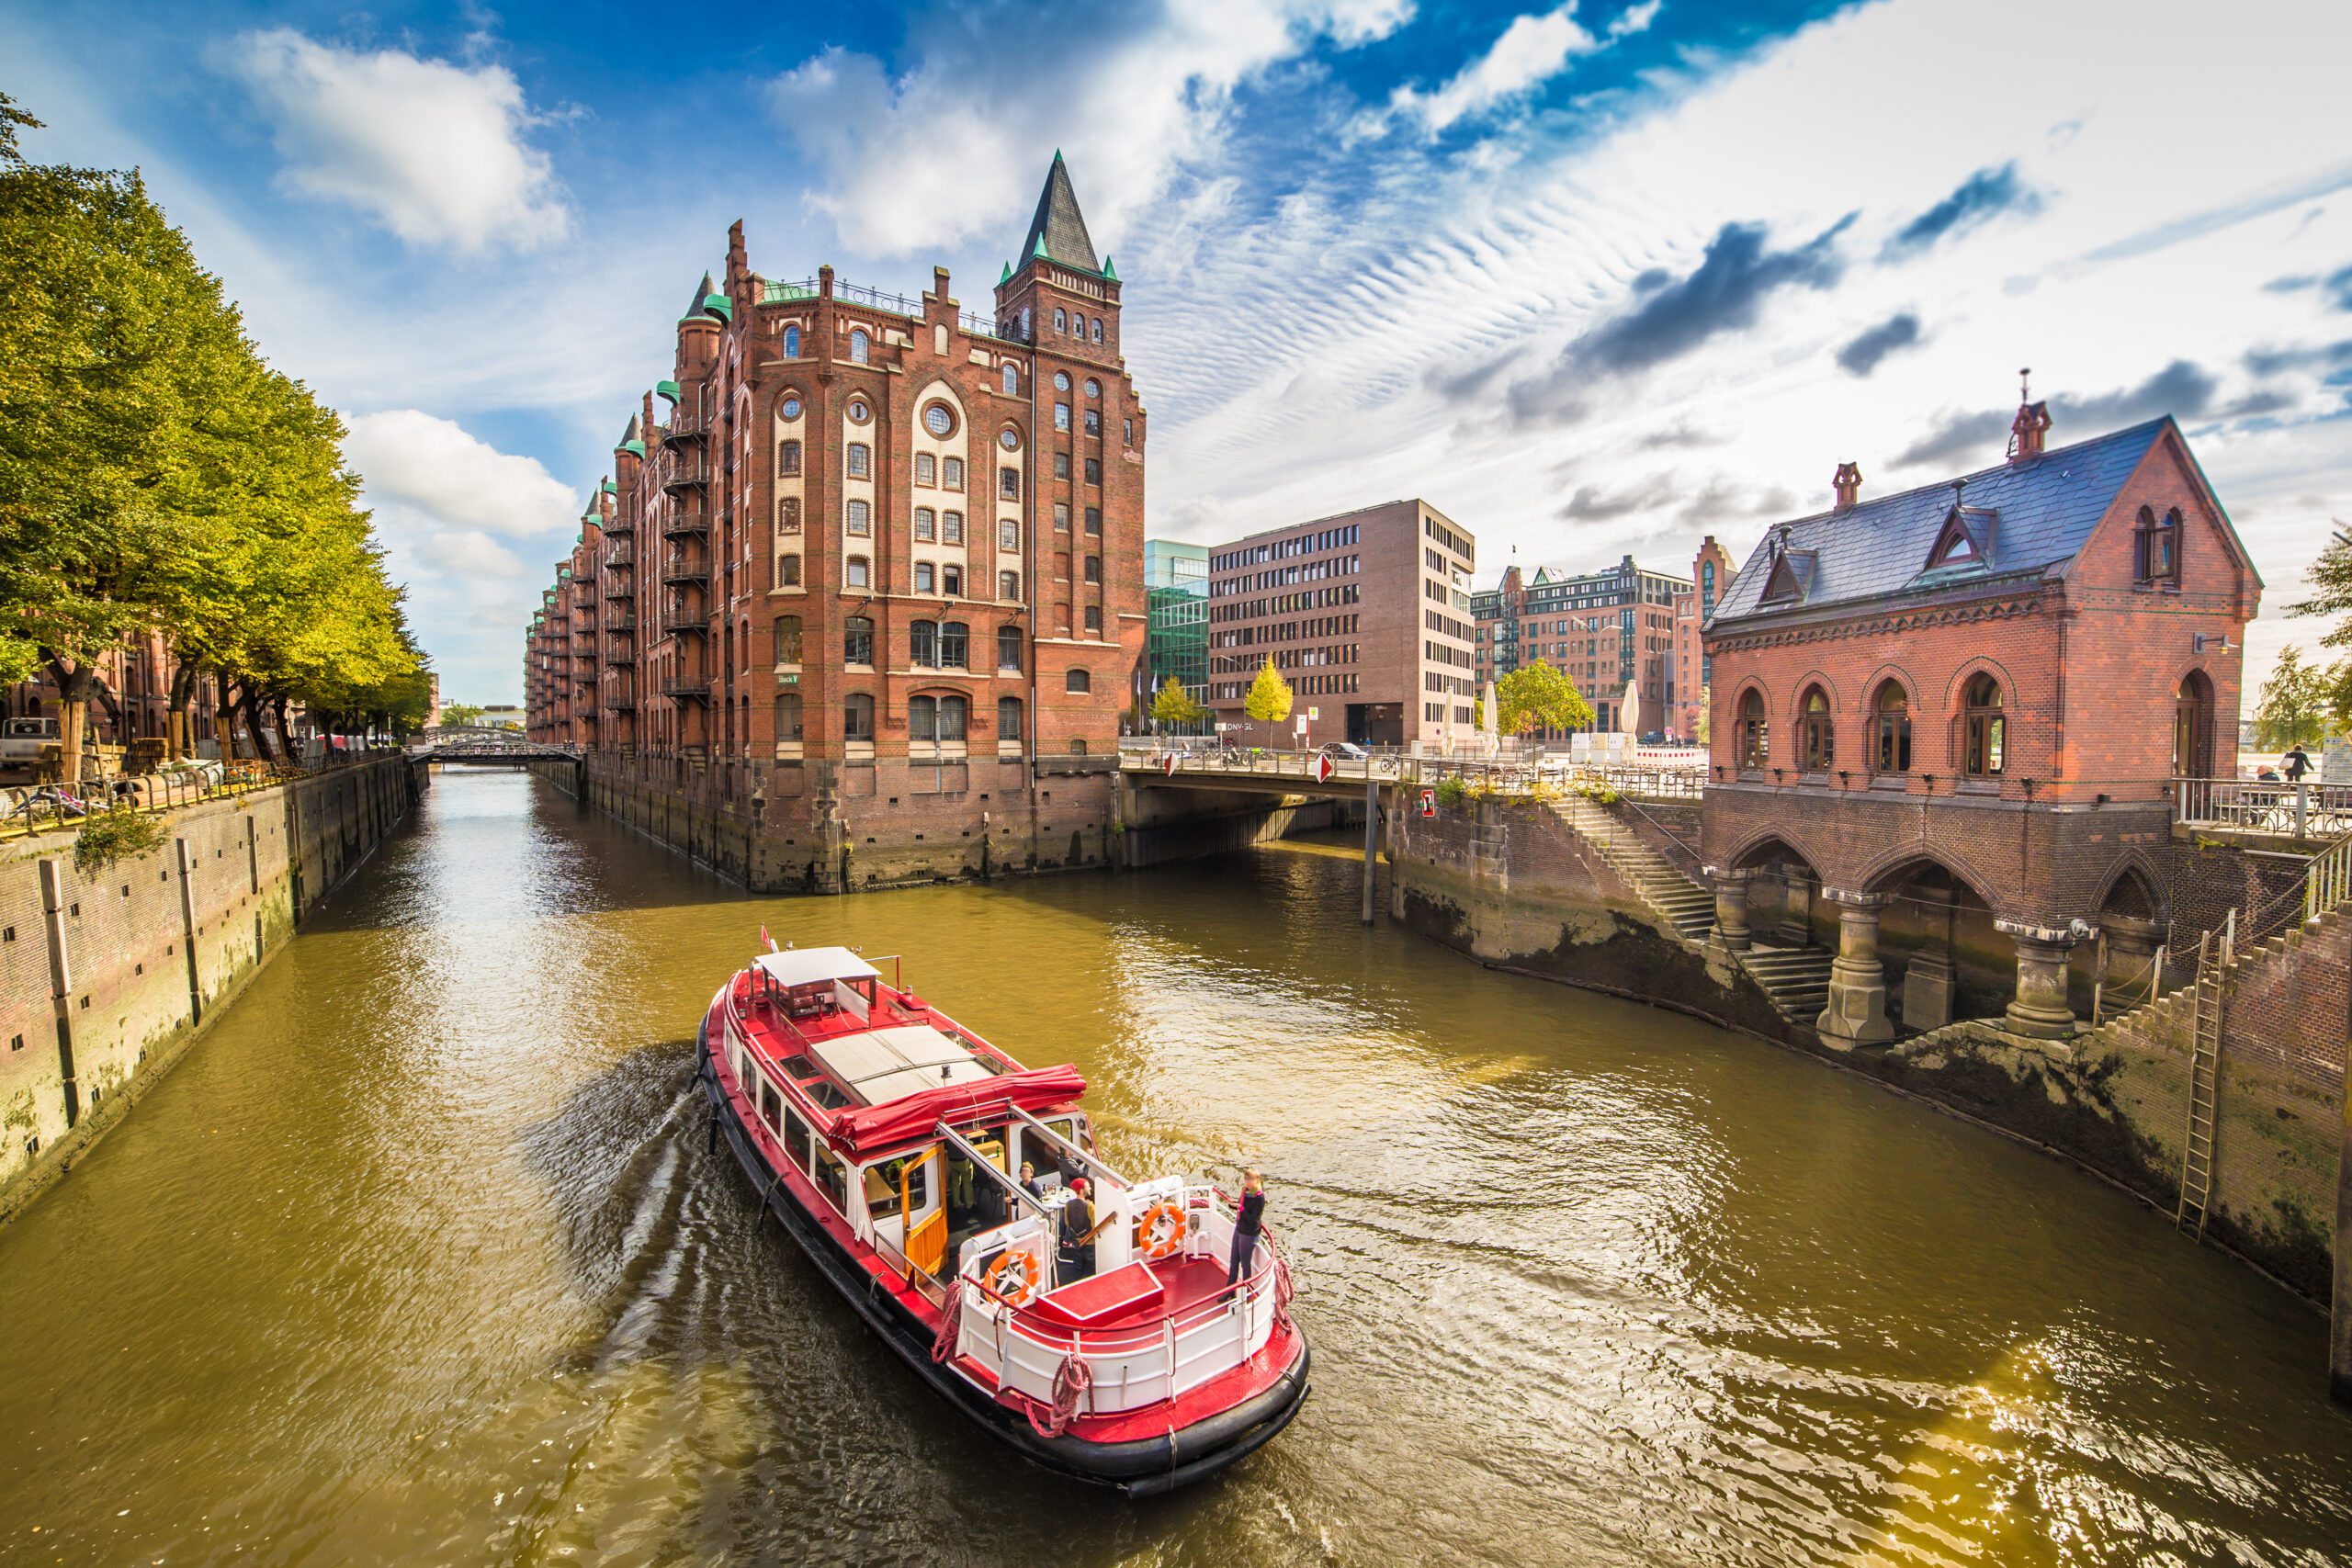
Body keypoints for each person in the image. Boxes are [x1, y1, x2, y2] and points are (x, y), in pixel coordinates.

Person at [1227, 1168, 1267, 1289]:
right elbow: (1241, 1206)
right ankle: (1229, 1289)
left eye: (1250, 1179)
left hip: (1249, 1233)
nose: (1248, 1182)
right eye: (1246, 1179)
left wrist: (1240, 1208)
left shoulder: (1259, 1198)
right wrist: (1233, 1204)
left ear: (1257, 1180)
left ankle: (1245, 1293)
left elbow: (1253, 1219)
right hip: (1239, 1229)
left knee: (1245, 1264)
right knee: (1233, 1260)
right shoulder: (1245, 1192)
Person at [1057, 1177, 1098, 1281]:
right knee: (1091, 1270)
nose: (1090, 1189)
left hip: (1076, 1243)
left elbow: (1067, 1222)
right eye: (1088, 1187)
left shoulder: (1068, 1205)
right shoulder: (1090, 1206)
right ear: (1081, 1191)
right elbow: (1095, 1227)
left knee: (1078, 1269)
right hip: (1090, 1243)